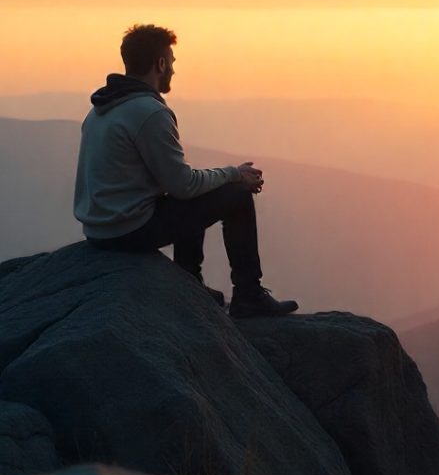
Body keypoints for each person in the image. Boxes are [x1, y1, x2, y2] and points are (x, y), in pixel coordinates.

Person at [73, 23, 298, 318]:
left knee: (197, 192)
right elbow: (183, 186)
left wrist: (221, 176)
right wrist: (234, 174)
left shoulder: (103, 107)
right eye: (173, 63)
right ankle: (248, 295)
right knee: (237, 195)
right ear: (161, 64)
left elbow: (177, 183)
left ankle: (190, 283)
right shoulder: (149, 112)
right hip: (128, 231)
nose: (174, 72)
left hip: (99, 229)